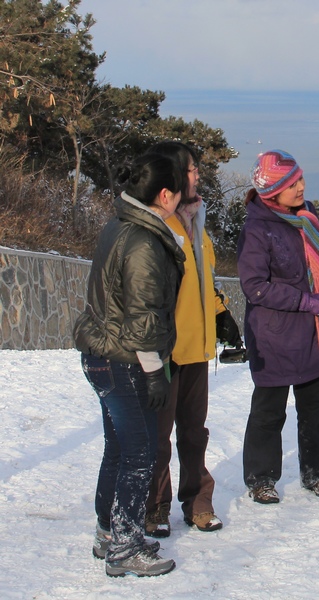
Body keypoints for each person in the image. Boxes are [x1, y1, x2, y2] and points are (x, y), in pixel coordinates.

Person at [73, 152, 185, 577]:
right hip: (123, 360)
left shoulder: (119, 225)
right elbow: (143, 316)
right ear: (164, 195)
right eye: (179, 191)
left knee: (119, 448)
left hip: (103, 354)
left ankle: (109, 532)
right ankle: (125, 545)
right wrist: (155, 372)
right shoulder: (143, 242)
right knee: (140, 453)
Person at [143, 141, 241, 538]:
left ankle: (198, 502)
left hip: (197, 350)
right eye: (190, 169)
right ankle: (155, 507)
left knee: (194, 434)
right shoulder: (157, 226)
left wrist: (221, 314)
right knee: (158, 437)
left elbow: (205, 280)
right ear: (170, 176)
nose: (197, 174)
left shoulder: (196, 224)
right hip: (164, 350)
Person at [238, 149, 319, 504]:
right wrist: (304, 301)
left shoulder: (308, 216)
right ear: (273, 190)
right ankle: (261, 478)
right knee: (269, 409)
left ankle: (316, 471)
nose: (301, 187)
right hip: (275, 335)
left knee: (314, 407)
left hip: (315, 332)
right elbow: (254, 285)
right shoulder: (258, 228)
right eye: (292, 183)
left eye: (300, 179)